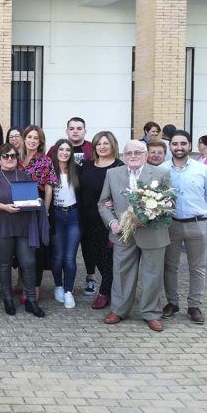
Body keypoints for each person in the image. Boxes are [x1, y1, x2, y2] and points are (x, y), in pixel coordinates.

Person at [98, 140, 170, 333]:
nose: (133, 156)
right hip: (123, 233)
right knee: (121, 273)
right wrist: (112, 222)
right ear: (123, 156)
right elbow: (103, 202)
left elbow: (169, 203)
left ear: (146, 155)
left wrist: (148, 216)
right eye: (129, 153)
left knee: (152, 276)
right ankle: (119, 310)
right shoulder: (112, 174)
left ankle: (151, 314)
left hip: (153, 234)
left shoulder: (161, 173)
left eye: (138, 152)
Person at [0, 143, 46, 317]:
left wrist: (37, 202)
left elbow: (33, 198)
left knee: (28, 262)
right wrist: (4, 207)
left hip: (23, 225)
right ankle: (8, 300)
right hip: (2, 225)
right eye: (5, 156)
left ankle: (31, 301)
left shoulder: (24, 175)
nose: (10, 159)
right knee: (4, 264)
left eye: (13, 156)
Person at [161, 130, 207, 325]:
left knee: (198, 268)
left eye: (183, 144)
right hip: (171, 225)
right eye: (175, 144)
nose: (179, 147)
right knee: (170, 266)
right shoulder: (162, 169)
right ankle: (172, 303)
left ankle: (194, 305)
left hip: (197, 224)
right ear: (170, 146)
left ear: (190, 146)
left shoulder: (202, 169)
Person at [77, 131, 123, 309]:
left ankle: (105, 292)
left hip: (108, 220)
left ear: (113, 145)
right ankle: (111, 287)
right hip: (86, 218)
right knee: (94, 256)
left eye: (106, 143)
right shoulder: (86, 165)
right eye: (98, 144)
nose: (102, 147)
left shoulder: (119, 167)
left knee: (107, 258)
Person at [18, 125, 56, 302]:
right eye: (29, 137)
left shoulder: (45, 160)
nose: (32, 141)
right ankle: (24, 284)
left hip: (37, 204)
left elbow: (49, 188)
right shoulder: (17, 158)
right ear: (24, 138)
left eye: (36, 138)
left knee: (37, 249)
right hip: (18, 206)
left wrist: (45, 211)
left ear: (40, 141)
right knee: (22, 247)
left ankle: (35, 287)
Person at [49, 139, 81, 309]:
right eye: (61, 149)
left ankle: (69, 290)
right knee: (58, 256)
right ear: (56, 151)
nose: (64, 152)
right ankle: (58, 286)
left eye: (68, 150)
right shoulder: (49, 170)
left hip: (74, 216)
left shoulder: (77, 171)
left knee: (70, 257)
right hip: (56, 215)